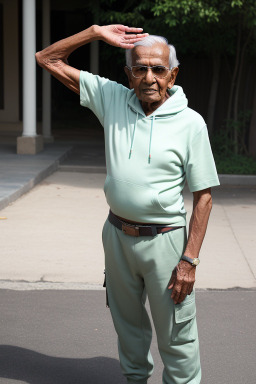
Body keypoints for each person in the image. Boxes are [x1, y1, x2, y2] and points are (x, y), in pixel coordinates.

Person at [36, 24, 220, 384]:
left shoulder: (191, 124)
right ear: (128, 73)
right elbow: (47, 58)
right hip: (117, 236)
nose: (149, 77)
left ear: (173, 74)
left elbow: (204, 197)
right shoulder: (113, 99)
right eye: (140, 68)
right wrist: (93, 33)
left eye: (158, 69)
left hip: (166, 242)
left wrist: (189, 260)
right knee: (127, 326)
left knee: (177, 333)